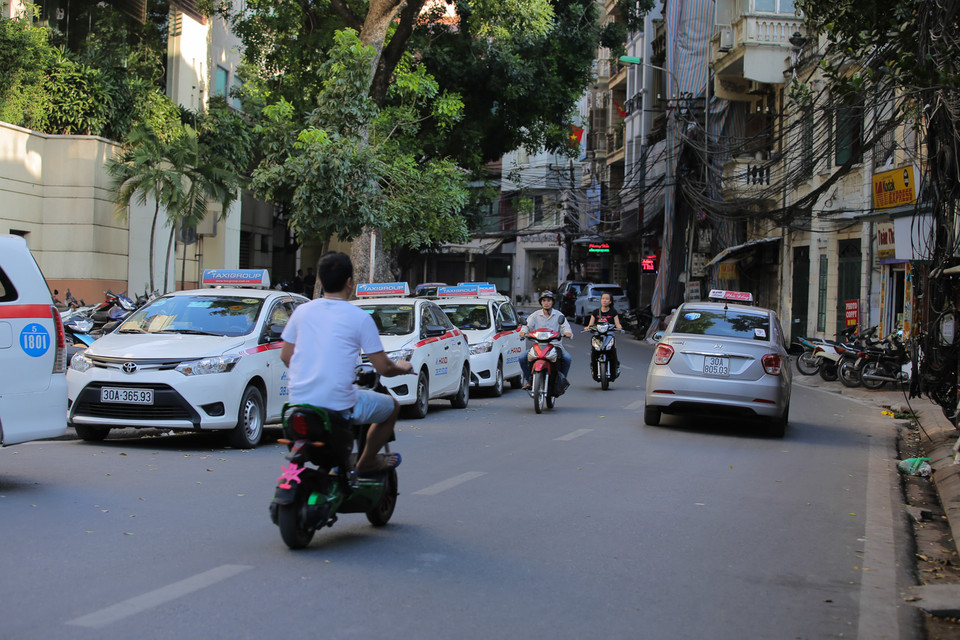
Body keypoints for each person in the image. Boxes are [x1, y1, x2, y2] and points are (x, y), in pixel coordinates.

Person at [280, 252, 412, 475]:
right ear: (350, 282)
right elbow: (384, 368)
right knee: (392, 407)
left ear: (320, 282)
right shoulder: (359, 317)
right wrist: (403, 367)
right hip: (339, 406)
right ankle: (367, 461)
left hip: (298, 404)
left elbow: (286, 356)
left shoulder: (301, 312)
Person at [519, 290, 573, 389]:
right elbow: (526, 325)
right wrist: (523, 332)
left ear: (552, 302)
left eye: (548, 300)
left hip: (555, 346)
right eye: (544, 300)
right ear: (541, 302)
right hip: (538, 346)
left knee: (567, 359)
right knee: (522, 358)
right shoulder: (535, 315)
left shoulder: (559, 315)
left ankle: (561, 381)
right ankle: (529, 380)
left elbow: (566, 327)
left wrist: (567, 333)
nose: (546, 303)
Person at [582, 291, 623, 379]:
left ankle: (615, 367)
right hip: (597, 336)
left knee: (613, 352)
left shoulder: (613, 312)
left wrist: (619, 327)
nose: (604, 300)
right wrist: (588, 327)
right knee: (594, 352)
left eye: (607, 299)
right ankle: (594, 368)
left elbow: (617, 324)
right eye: (603, 298)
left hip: (609, 335)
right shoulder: (595, 312)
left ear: (610, 301)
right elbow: (590, 324)